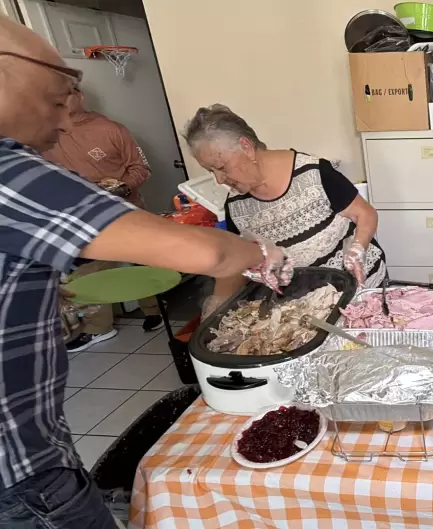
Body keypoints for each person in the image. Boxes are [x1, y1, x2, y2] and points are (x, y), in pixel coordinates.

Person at [0, 18, 291, 528]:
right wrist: (258, 251)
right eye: (55, 101)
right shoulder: (11, 172)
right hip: (19, 472)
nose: (66, 123)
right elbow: (207, 255)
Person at [183, 104, 387, 317]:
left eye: (221, 167)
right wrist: (217, 304)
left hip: (359, 289)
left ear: (246, 147)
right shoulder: (236, 205)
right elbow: (235, 261)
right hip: (308, 306)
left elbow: (365, 214)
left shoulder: (313, 172)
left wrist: (357, 250)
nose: (218, 179)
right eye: (210, 171)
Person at [43, 86, 164, 349]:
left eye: (65, 95)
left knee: (144, 261)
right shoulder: (46, 135)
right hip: (83, 216)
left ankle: (155, 312)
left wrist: (123, 188)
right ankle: (98, 328)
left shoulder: (110, 129)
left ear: (80, 96)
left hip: (126, 210)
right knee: (87, 272)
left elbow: (141, 167)